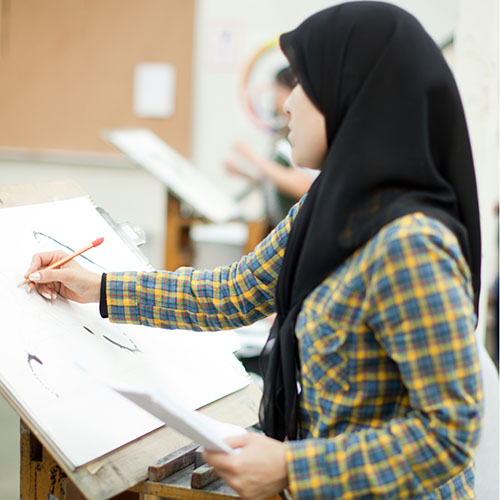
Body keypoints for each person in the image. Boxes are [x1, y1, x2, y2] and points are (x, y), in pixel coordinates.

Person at [25, 2, 483, 499]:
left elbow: (449, 435)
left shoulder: (409, 243)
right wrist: (99, 286)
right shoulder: (325, 204)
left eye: (305, 83)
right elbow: (235, 291)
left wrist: (295, 466)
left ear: (349, 92)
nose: (285, 104)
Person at [226, 66, 318, 226]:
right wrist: (242, 173)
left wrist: (252, 157)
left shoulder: (300, 136)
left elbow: (304, 184)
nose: (275, 98)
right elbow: (274, 182)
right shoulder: (284, 134)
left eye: (279, 91)